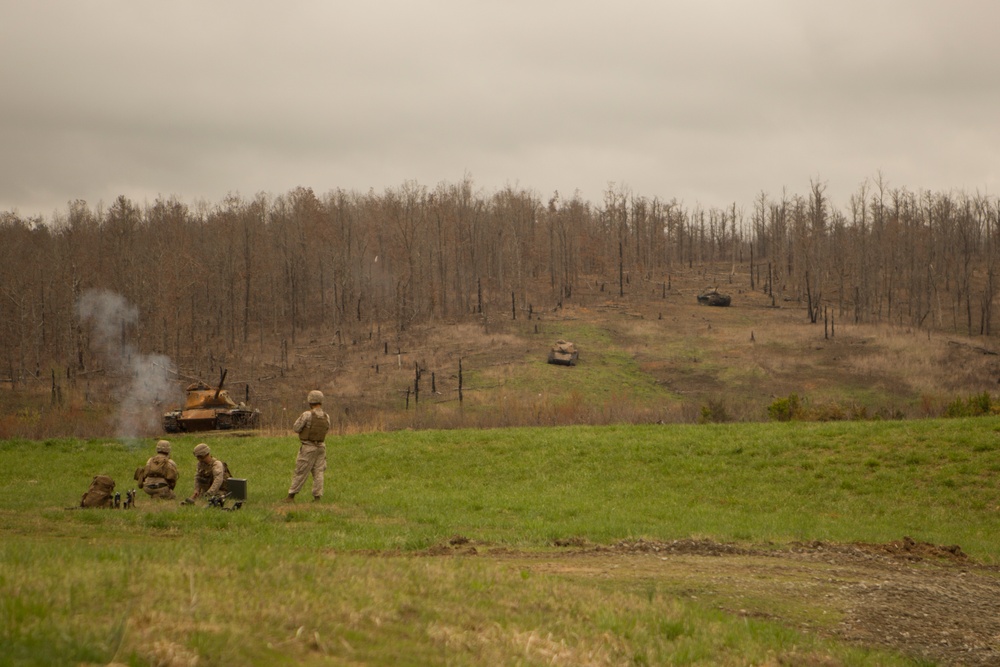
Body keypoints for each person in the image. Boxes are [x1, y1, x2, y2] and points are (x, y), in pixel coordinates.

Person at [283, 390, 331, 502]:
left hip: (308, 447)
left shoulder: (307, 415)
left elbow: (296, 428)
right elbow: (326, 429)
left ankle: (291, 496)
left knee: (300, 471)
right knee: (318, 473)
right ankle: (317, 498)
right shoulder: (326, 416)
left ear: (310, 402)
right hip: (321, 447)